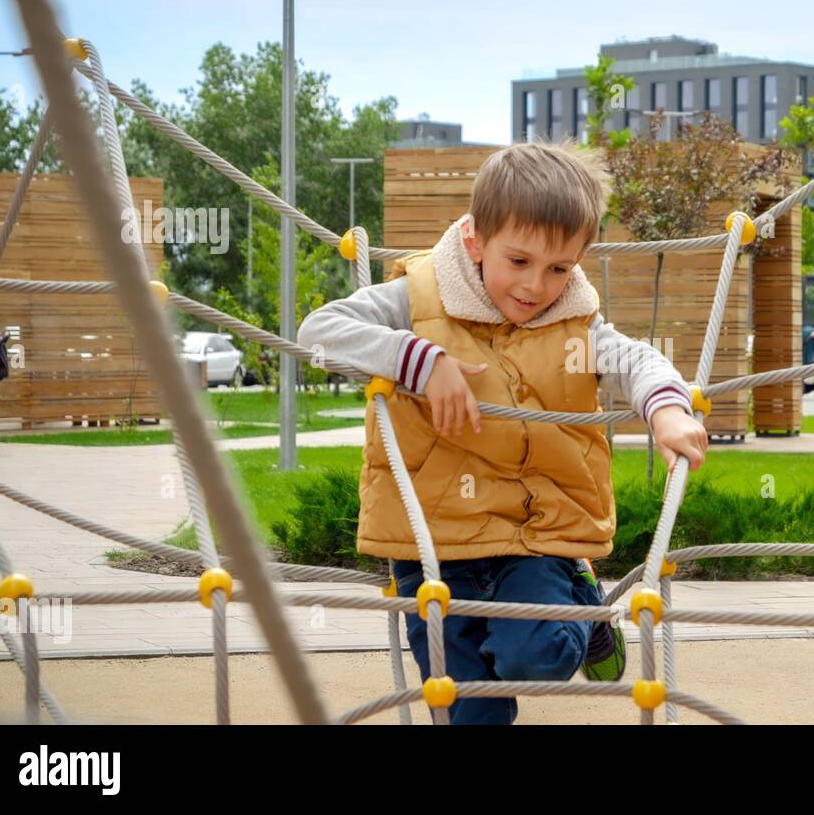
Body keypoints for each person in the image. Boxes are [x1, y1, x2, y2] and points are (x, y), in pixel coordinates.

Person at [297, 140, 708, 724]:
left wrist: (665, 408)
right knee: (465, 704)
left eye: (559, 268)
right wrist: (420, 360)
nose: (537, 286)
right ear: (475, 240)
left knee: (532, 655)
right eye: (519, 262)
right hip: (433, 546)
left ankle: (580, 601)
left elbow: (633, 359)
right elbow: (320, 330)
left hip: (534, 537)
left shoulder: (573, 317)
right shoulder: (416, 298)